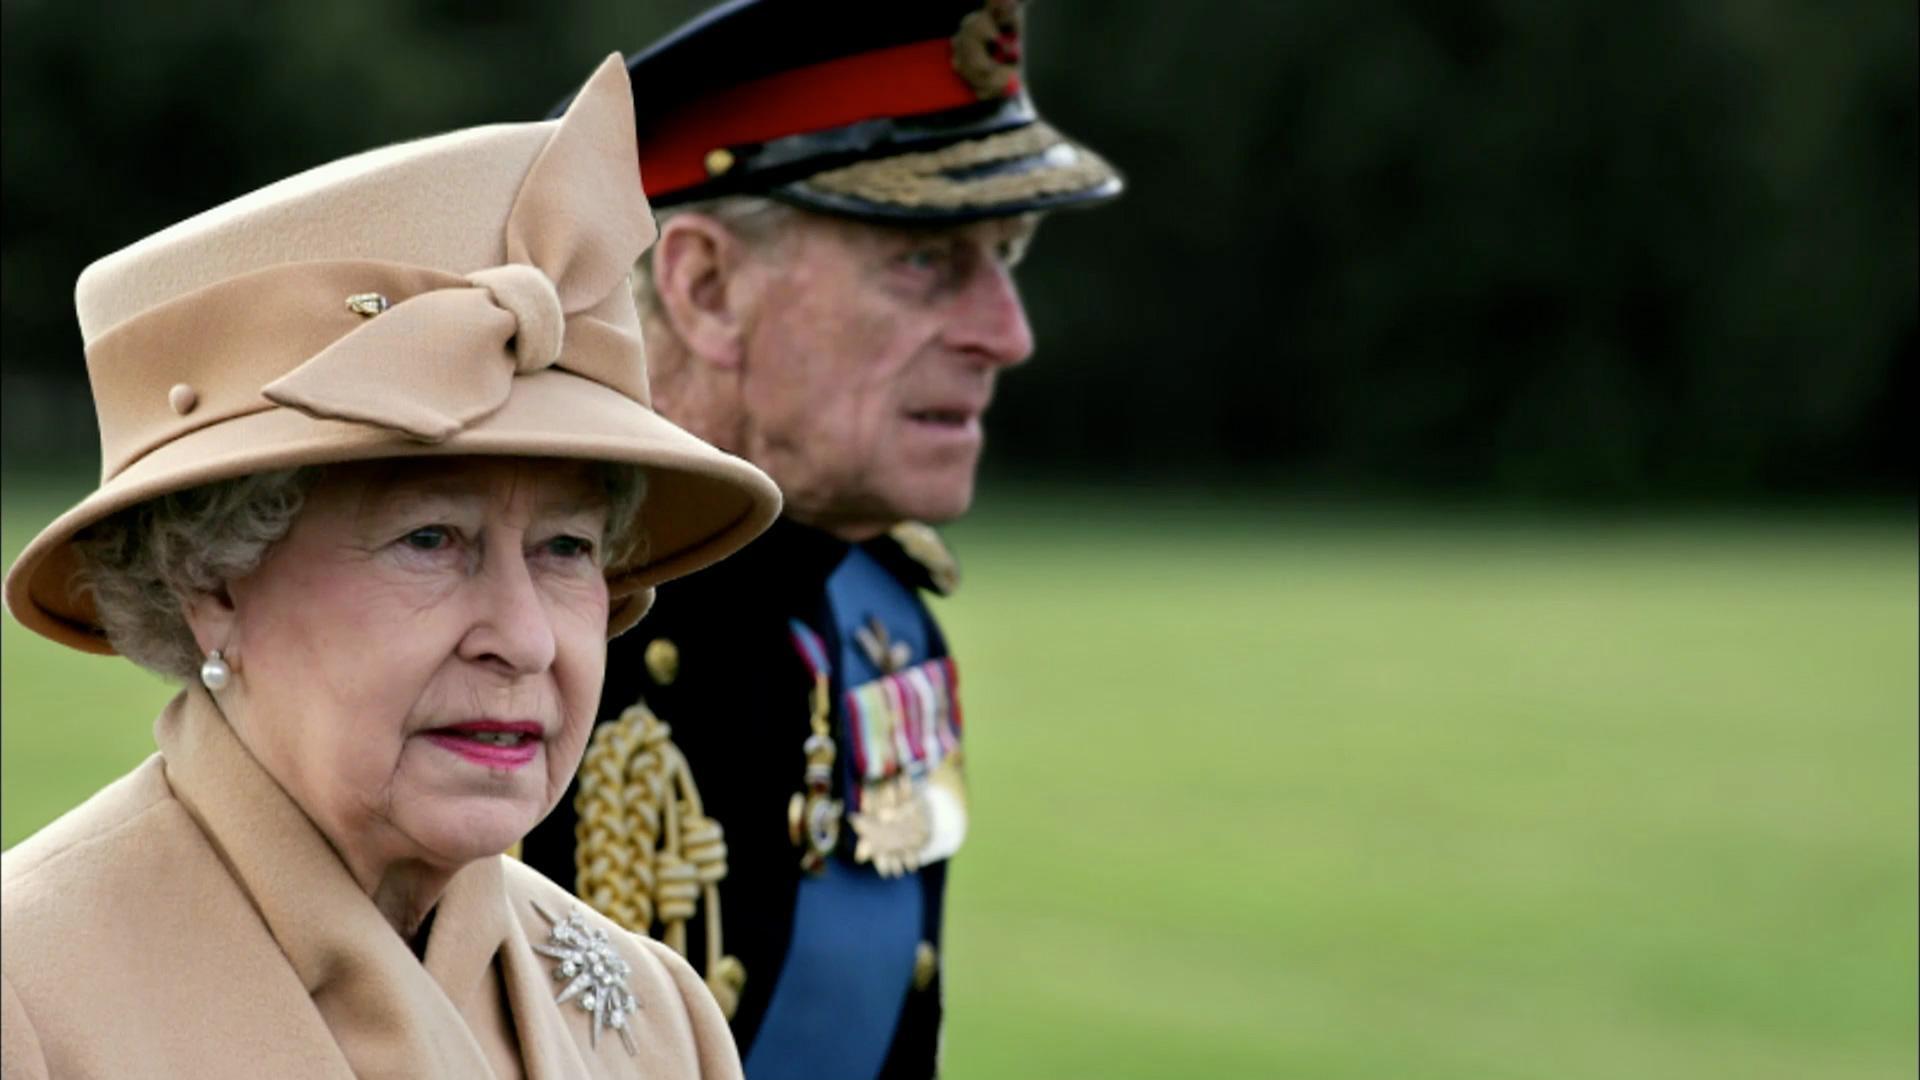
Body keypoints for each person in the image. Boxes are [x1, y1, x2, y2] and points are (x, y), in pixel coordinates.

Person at [0, 56, 784, 1079]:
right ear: (211, 583)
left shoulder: (656, 1021)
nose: (525, 637)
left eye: (566, 549)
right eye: (431, 540)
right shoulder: (29, 1002)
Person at [517, 3, 1122, 1076]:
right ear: (705, 288)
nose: (1008, 334)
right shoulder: (518, 630)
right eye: (928, 264)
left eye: (1006, 253)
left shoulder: (872, 605)